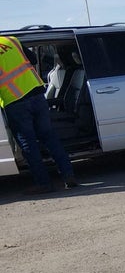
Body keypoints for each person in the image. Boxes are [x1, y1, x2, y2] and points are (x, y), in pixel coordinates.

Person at [0, 35, 77, 194]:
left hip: (15, 101)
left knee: (28, 145)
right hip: (37, 94)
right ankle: (68, 175)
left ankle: (43, 183)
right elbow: (34, 59)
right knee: (49, 137)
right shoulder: (10, 40)